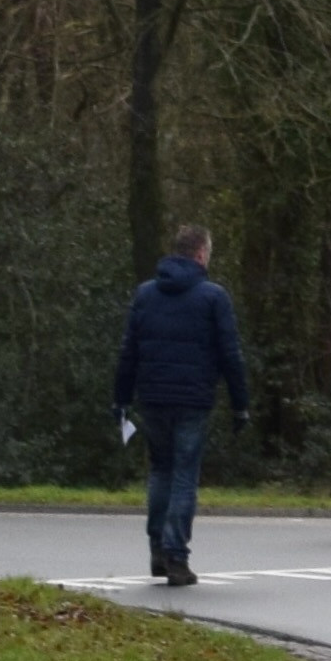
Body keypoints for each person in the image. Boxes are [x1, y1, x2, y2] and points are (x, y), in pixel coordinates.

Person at [112, 224, 255, 586]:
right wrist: (240, 403)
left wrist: (121, 398)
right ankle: (176, 554)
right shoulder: (213, 297)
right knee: (184, 474)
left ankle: (157, 548)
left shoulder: (146, 294)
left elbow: (129, 351)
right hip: (193, 398)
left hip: (152, 396)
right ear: (201, 254)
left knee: (160, 470)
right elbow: (230, 354)